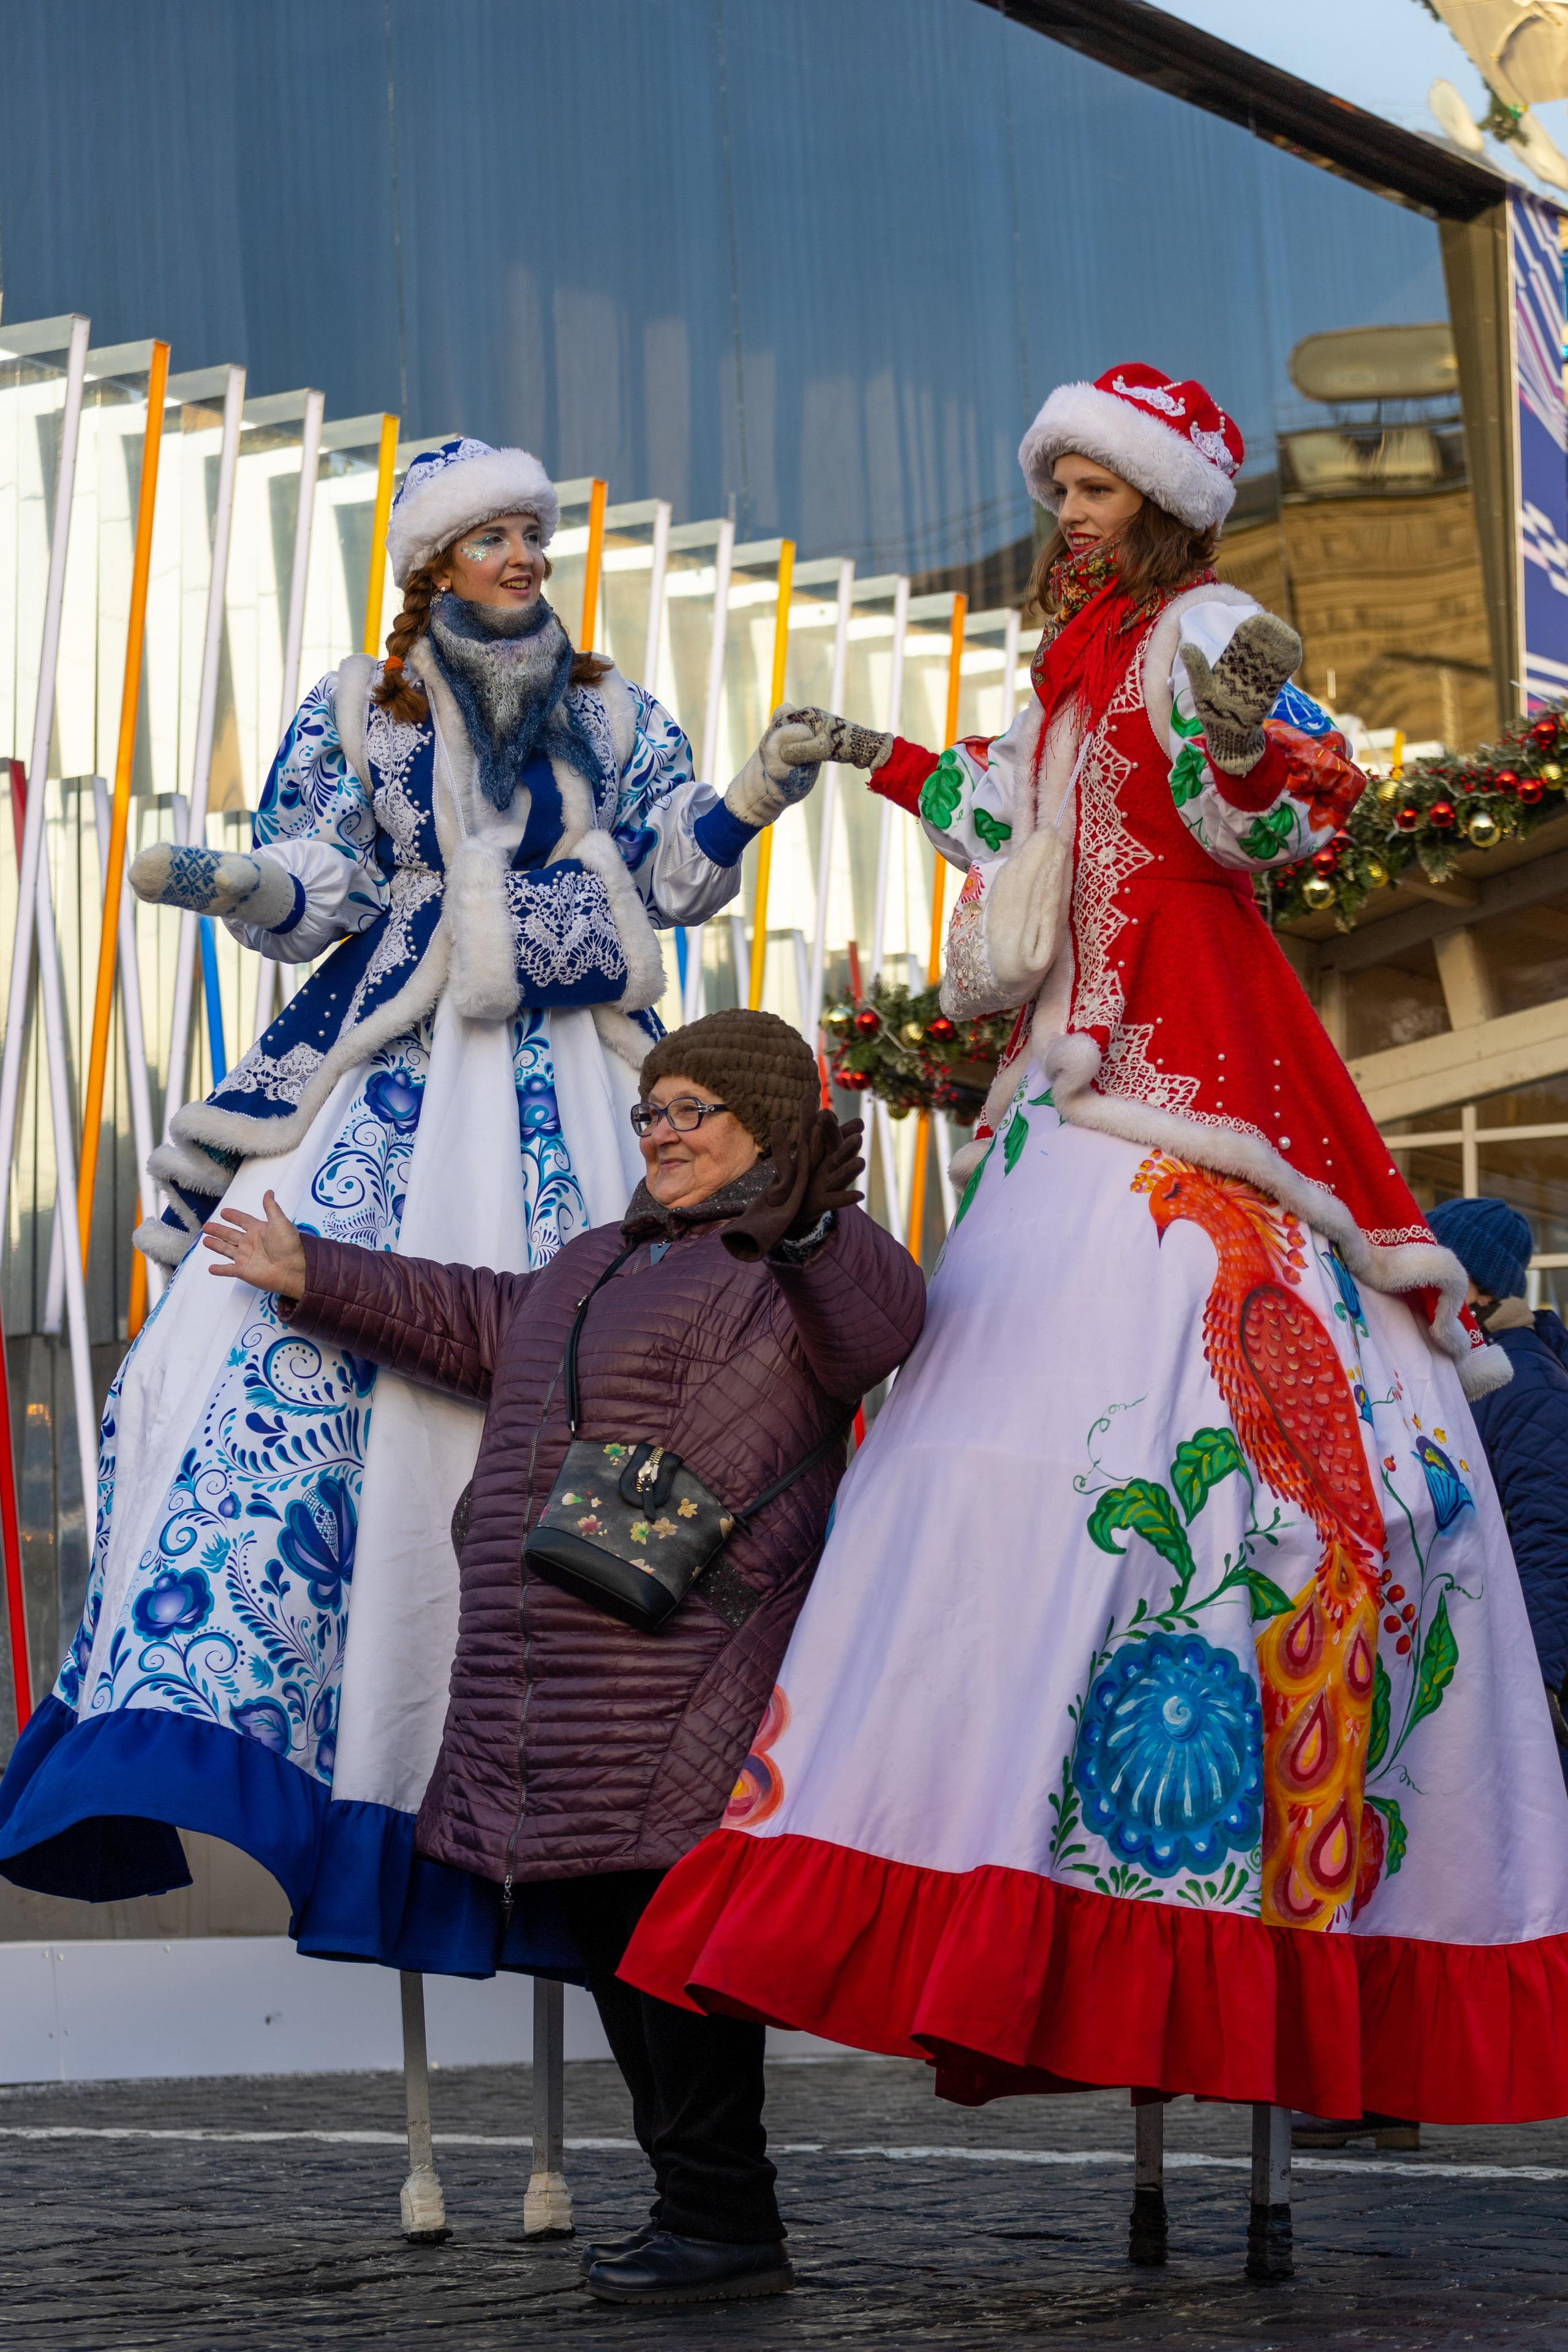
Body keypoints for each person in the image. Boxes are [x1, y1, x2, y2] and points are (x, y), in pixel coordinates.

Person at [622, 364, 1568, 2133]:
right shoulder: (1061, 669)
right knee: (977, 1470)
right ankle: (990, 1856)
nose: (1068, 514)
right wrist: (859, 754)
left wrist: (1235, 731)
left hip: (1199, 1081)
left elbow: (1292, 821)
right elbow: (1011, 839)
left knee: (1183, 1461)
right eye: (1055, 486)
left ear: (1166, 504)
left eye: (1096, 489)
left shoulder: (1210, 621)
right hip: (1066, 1095)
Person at [0, 437, 839, 1975]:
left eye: (532, 532)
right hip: (390, 1059)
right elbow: (315, 888)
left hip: (585, 1064)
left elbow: (668, 882)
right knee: (240, 1355)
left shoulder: (609, 708)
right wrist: (226, 880)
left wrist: (752, 791)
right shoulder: (351, 708)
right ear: (432, 567)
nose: (525, 556)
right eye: (495, 537)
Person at [199, 1009, 927, 2310]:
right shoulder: (600, 1258)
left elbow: (878, 1329)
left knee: (677, 1957)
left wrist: (809, 1221)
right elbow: (476, 1319)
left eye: (691, 1108)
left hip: (688, 1664)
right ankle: (701, 2215)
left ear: (766, 1119)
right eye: (652, 1111)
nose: (659, 1131)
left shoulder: (806, 1252)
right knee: (617, 1948)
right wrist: (314, 1270)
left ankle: (721, 2218)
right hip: (547, 1674)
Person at [1428, 1196, 1568, 1779]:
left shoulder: (1524, 1383)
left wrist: (1531, 1685)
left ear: (1475, 1289)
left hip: (1513, 1681)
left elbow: (1552, 1538)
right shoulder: (1466, 1364)